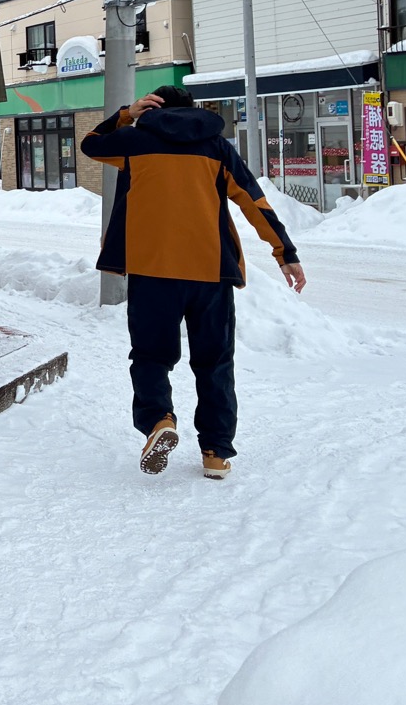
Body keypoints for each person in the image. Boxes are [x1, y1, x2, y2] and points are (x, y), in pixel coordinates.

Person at [81, 84, 305, 481]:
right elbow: (255, 201)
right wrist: (284, 252)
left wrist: (127, 114)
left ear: (154, 108)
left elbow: (91, 144)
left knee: (151, 357)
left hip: (152, 272)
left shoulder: (134, 141)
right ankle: (216, 452)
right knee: (215, 362)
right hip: (210, 272)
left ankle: (159, 420)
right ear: (194, 111)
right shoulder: (216, 147)